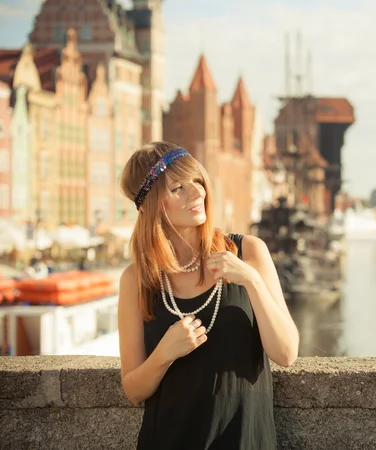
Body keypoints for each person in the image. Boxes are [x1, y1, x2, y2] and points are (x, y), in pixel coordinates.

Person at [118, 142, 299, 450]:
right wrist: (165, 353)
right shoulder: (137, 279)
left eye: (197, 181)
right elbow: (134, 389)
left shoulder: (249, 252)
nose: (197, 193)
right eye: (178, 188)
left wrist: (251, 280)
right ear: (148, 204)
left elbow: (286, 354)